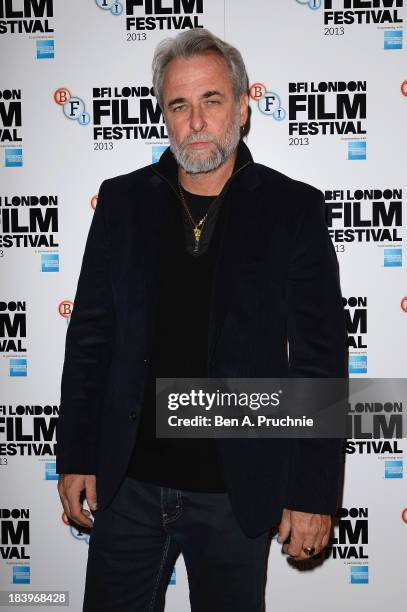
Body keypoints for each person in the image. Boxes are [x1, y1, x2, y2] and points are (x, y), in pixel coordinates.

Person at [56, 28, 348, 612]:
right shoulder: (122, 202)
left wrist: (313, 492)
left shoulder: (293, 209)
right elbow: (91, 337)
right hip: (127, 487)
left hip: (235, 494)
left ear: (242, 106)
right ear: (163, 115)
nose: (195, 121)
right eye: (179, 105)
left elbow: (320, 357)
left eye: (211, 100)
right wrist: (76, 455)